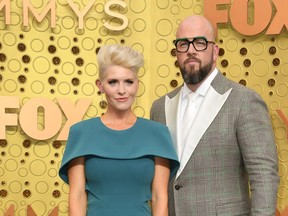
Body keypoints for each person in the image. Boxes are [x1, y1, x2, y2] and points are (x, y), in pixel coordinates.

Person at [150, 15, 279, 215]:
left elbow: (264, 176)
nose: (191, 50)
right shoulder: (160, 107)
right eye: (183, 44)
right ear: (176, 52)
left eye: (200, 43)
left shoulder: (244, 100)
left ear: (215, 51)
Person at [59, 44, 179, 216]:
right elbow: (77, 197)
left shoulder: (157, 134)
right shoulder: (81, 133)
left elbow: (159, 197)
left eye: (128, 82)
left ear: (137, 84)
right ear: (100, 86)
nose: (121, 90)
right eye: (113, 82)